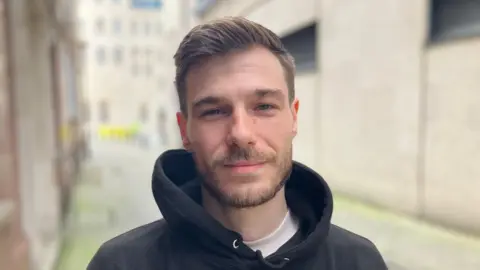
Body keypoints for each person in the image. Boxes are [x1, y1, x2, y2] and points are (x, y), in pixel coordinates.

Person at [87, 16, 387, 270]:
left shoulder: (358, 262)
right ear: (184, 130)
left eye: (264, 106)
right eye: (214, 111)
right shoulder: (121, 264)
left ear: (293, 118)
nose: (241, 133)